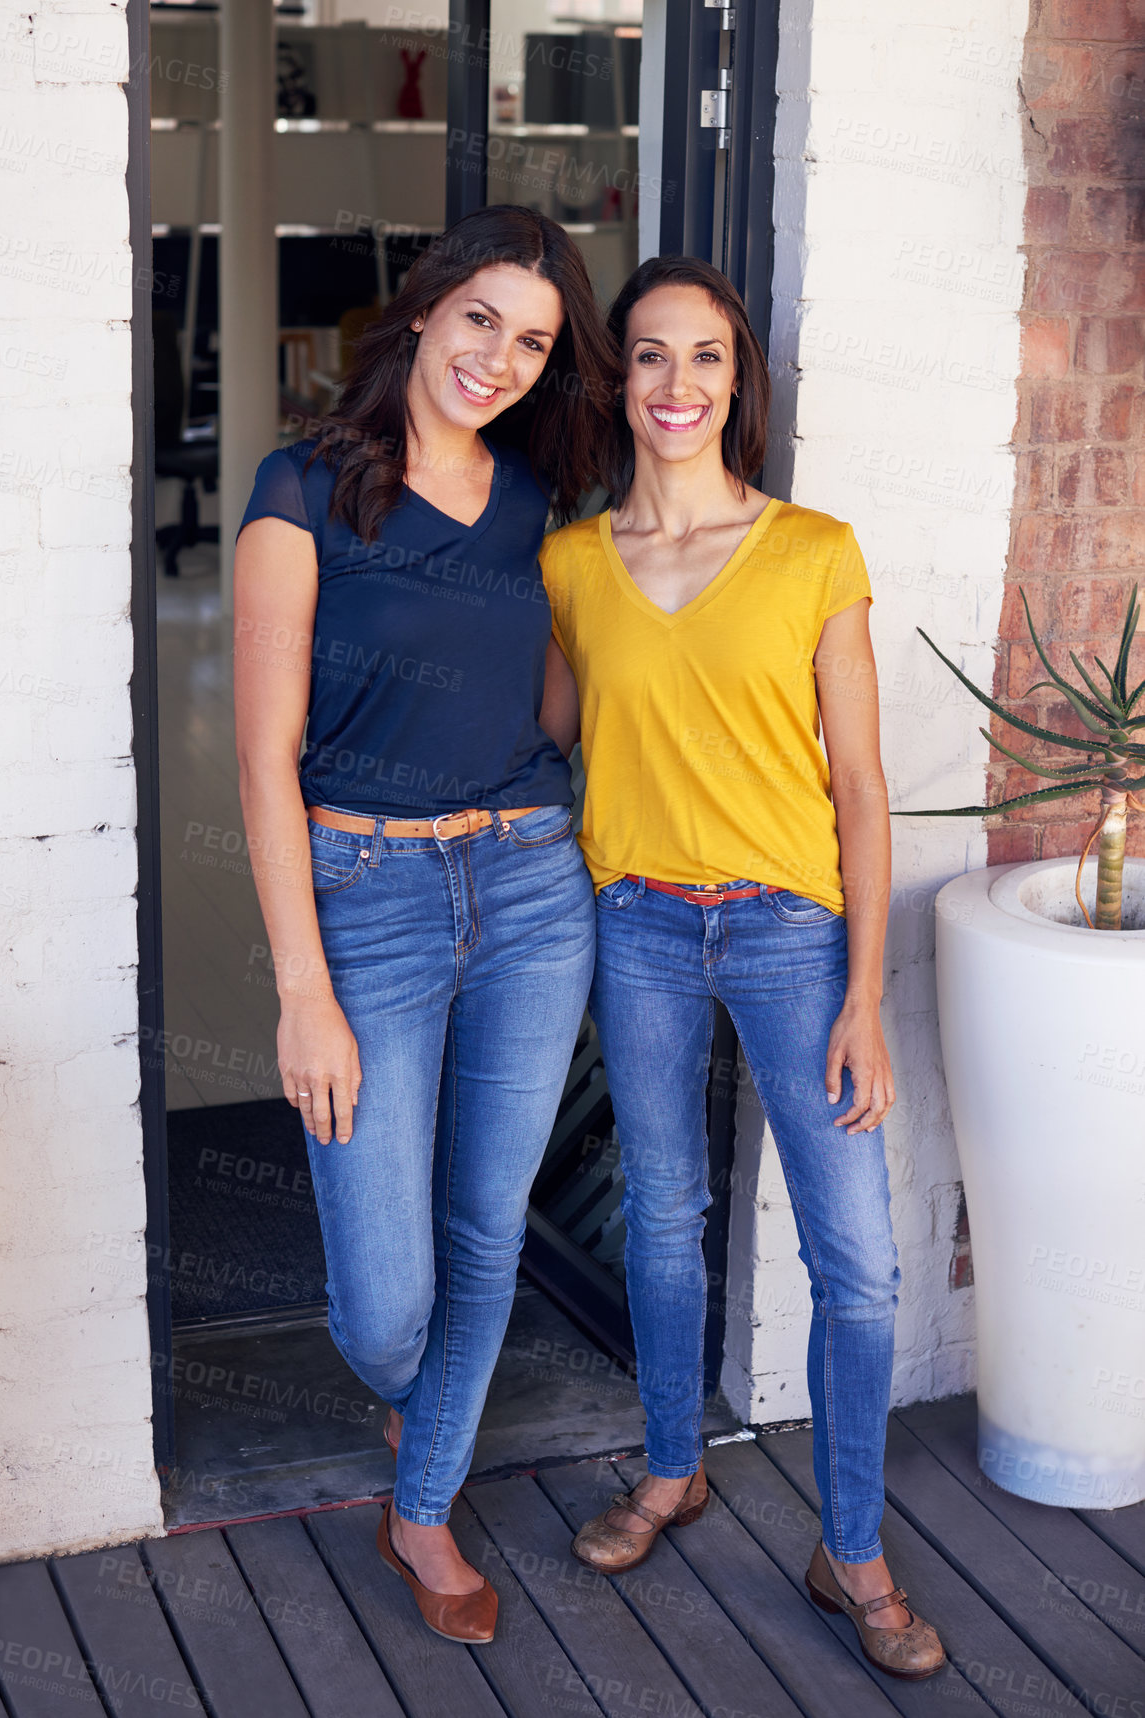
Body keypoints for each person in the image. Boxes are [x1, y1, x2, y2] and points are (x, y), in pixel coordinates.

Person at [537, 255, 945, 1680]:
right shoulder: (574, 565)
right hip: (637, 921)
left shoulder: (816, 549)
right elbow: (548, 743)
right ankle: (672, 1470)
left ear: (738, 379)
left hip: (787, 929)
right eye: (648, 357)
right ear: (617, 377)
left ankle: (852, 1548)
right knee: (663, 1212)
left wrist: (862, 993)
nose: (676, 385)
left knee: (861, 1262)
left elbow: (863, 788)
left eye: (704, 358)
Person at [234, 206, 614, 1644]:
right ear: (423, 311)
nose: (500, 359)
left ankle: (423, 1505)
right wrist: (300, 989)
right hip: (367, 901)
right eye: (481, 322)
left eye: (531, 341)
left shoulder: (535, 506)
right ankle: (419, 1399)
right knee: (387, 1298)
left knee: (483, 1228)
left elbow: (561, 713)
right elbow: (263, 758)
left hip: (527, 882)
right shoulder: (302, 488)